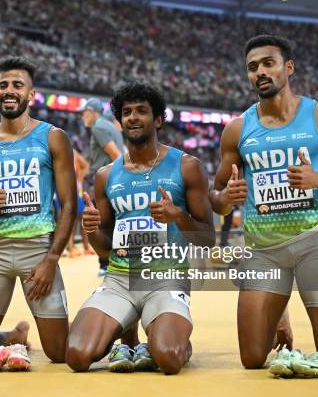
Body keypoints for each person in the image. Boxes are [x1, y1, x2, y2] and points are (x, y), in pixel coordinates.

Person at [210, 34, 318, 377]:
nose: (260, 72)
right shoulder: (237, 130)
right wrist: (225, 199)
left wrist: (317, 180)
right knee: (253, 358)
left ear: (288, 67)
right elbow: (217, 197)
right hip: (263, 251)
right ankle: (278, 311)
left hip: (315, 243)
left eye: (268, 63)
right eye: (253, 67)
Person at [66, 82, 215, 374]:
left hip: (166, 280)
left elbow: (207, 239)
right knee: (77, 356)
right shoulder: (105, 175)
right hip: (120, 281)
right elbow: (105, 248)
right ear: (119, 121)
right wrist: (92, 228)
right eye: (127, 112)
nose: (133, 117)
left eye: (142, 111)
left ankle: (172, 339)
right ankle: (128, 338)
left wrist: (178, 216)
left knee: (169, 358)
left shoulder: (187, 166)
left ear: (158, 119)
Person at [0, 57, 76, 371]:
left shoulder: (53, 137)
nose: (9, 91)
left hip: (37, 251)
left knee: (60, 352)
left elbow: (69, 205)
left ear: (31, 95)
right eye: (3, 85)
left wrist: (51, 260)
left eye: (17, 85)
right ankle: (12, 337)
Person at [81, 98, 124, 275]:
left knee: (102, 222)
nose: (83, 116)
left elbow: (115, 153)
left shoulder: (98, 126)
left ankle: (105, 264)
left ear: (92, 111)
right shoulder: (113, 127)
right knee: (112, 222)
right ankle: (115, 261)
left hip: (105, 180)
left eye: (84, 112)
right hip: (114, 179)